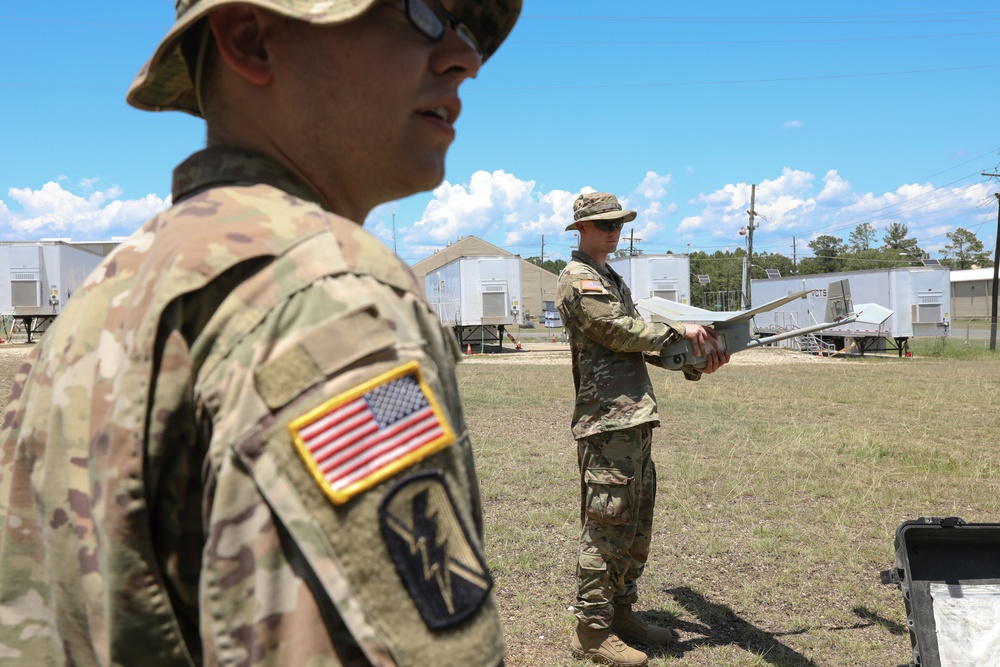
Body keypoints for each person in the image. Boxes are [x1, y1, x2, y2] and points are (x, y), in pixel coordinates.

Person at [0, 1, 520, 665]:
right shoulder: (327, 298)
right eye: (415, 11)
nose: (464, 58)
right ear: (251, 39)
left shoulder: (111, 291)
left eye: (467, 29)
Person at [557, 192, 730, 666]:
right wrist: (679, 332)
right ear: (581, 230)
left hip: (633, 417)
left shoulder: (609, 277)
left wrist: (695, 361)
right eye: (603, 224)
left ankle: (620, 614)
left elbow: (638, 344)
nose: (613, 230)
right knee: (605, 525)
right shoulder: (579, 279)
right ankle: (592, 632)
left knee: (634, 523)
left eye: (618, 223)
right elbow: (616, 331)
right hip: (606, 420)